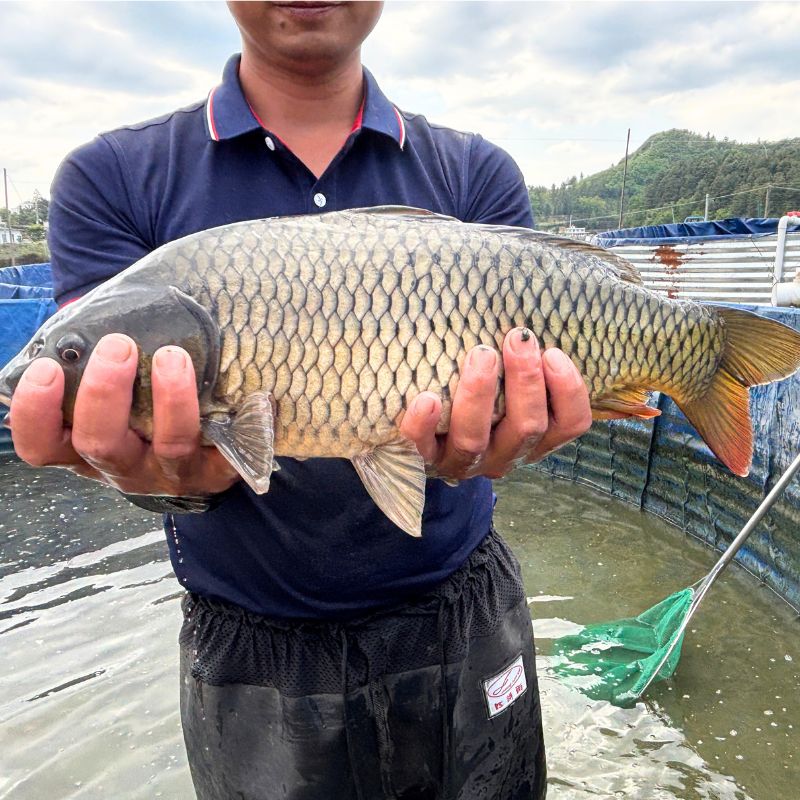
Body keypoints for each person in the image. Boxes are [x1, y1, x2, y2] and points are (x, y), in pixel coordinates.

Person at [10, 3, 592, 798]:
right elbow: (125, 441)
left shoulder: (473, 172)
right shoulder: (111, 179)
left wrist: (513, 438)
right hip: (251, 645)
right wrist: (163, 479)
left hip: (464, 605)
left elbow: (523, 406)